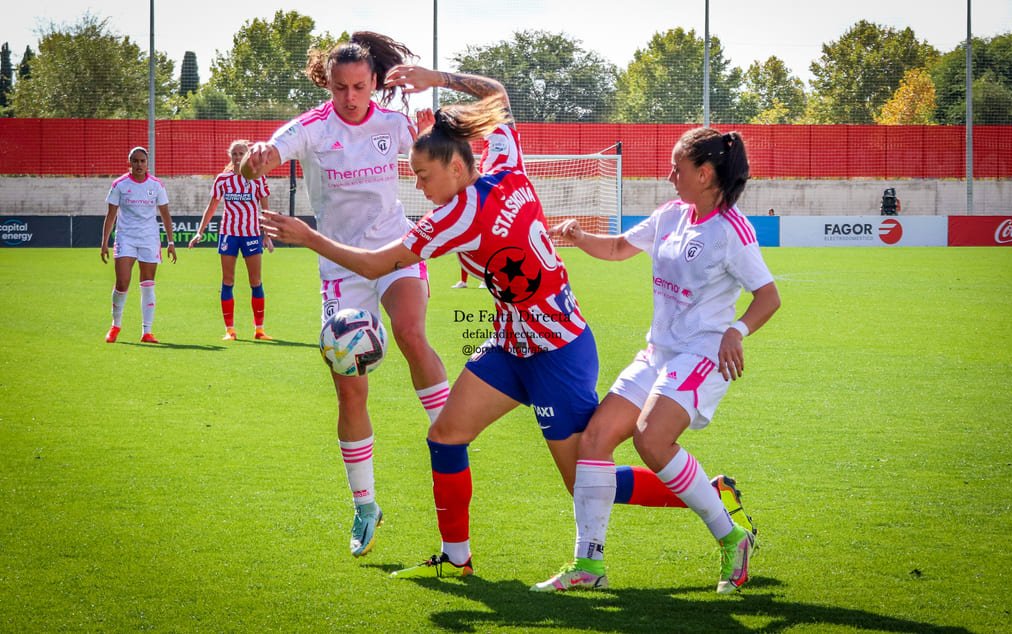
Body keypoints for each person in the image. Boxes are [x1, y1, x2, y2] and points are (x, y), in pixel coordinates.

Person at [262, 67, 755, 580]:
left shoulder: (454, 216)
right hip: (512, 344)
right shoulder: (506, 161)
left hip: (557, 351)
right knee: (445, 436)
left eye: (424, 176)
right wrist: (438, 77)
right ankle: (457, 559)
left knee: (584, 478)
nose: (420, 187)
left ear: (455, 166)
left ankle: (711, 499)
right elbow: (497, 93)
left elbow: (373, 265)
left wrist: (309, 235)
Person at [532, 128, 781, 595]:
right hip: (659, 351)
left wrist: (736, 330)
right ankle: (589, 564)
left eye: (677, 169)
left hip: (702, 353)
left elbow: (768, 297)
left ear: (705, 175)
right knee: (596, 439)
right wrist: (580, 236)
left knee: (651, 439)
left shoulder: (733, 231)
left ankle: (733, 539)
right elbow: (619, 247)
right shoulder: (671, 214)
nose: (669, 177)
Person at [239, 32, 449, 558]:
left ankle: (448, 430)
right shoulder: (310, 128)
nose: (350, 97)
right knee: (349, 386)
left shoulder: (394, 123)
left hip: (395, 250)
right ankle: (365, 505)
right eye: (340, 88)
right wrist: (257, 158)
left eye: (359, 86)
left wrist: (434, 136)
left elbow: (435, 156)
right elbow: (255, 162)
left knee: (408, 331)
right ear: (327, 85)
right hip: (338, 265)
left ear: (375, 82)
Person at [188, 140, 274, 341]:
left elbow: (266, 209)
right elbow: (211, 207)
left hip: (251, 234)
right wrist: (200, 232)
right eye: (234, 154)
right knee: (228, 281)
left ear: (248, 155)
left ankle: (259, 329)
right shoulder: (222, 180)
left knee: (256, 281)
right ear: (230, 156)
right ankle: (230, 330)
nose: (237, 157)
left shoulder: (258, 178)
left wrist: (267, 235)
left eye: (241, 153)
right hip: (229, 234)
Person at [101, 146, 177, 344]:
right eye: (135, 161)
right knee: (122, 282)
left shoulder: (157, 185)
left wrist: (170, 242)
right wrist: (104, 243)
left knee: (147, 283)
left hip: (149, 239)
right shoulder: (119, 184)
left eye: (142, 161)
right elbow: (110, 216)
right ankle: (115, 325)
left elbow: (165, 215)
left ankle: (147, 332)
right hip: (126, 237)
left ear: (147, 163)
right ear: (130, 163)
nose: (139, 165)